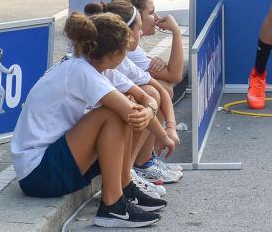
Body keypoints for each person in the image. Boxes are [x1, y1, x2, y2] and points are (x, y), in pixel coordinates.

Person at [10, 12, 165, 228]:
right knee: (112, 113)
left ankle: (124, 186)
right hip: (38, 174)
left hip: (51, 160)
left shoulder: (95, 63)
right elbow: (130, 109)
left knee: (124, 103)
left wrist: (150, 110)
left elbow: (143, 96)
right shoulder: (80, 70)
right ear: (114, 54)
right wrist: (151, 114)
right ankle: (112, 206)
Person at [83, 0, 182, 186]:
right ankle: (126, 178)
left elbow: (154, 92)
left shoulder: (115, 61)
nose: (156, 17)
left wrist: (168, 129)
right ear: (127, 34)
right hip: (53, 156)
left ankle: (128, 175)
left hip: (76, 140)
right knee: (126, 108)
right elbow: (171, 78)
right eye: (151, 13)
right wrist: (163, 133)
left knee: (147, 95)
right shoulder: (87, 67)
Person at [108, 0, 184, 100]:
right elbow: (175, 75)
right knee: (161, 89)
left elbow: (167, 73)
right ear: (137, 16)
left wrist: (159, 63)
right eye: (151, 13)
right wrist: (176, 31)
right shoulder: (129, 50)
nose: (157, 17)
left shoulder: (130, 44)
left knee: (161, 86)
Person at [0, 48, 17, 114]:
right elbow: (8, 71)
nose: (1, 56)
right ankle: (0, 109)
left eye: (1, 54)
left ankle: (0, 108)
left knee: (1, 93)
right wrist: (12, 70)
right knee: (3, 93)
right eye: (0, 54)